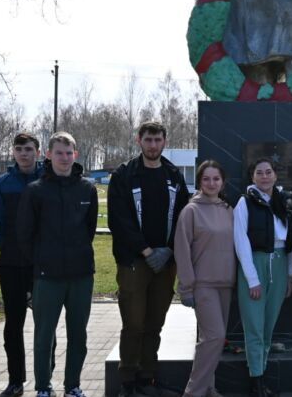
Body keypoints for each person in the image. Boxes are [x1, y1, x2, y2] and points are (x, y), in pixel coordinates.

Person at [108, 121, 191, 397]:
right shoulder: (124, 175)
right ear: (138, 140)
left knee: (155, 322)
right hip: (135, 261)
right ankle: (128, 380)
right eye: (148, 140)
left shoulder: (173, 175)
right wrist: (146, 251)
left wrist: (168, 250)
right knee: (134, 323)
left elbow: (182, 215)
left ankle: (148, 378)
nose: (153, 145)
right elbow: (119, 220)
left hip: (165, 263)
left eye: (157, 140)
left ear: (164, 141)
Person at [17, 132, 99, 397]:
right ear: (48, 155)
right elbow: (25, 235)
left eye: (69, 153)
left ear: (75, 155)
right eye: (59, 153)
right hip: (47, 276)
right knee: (44, 336)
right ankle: (43, 387)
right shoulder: (35, 191)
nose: (64, 158)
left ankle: (72, 385)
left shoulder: (87, 189)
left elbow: (89, 229)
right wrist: (41, 263)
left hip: (81, 275)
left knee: (79, 335)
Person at [234, 157, 292, 397]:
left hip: (279, 266)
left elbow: (290, 242)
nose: (264, 176)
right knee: (255, 328)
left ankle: (262, 376)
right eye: (259, 172)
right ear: (252, 177)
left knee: (268, 327)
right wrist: (252, 279)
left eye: (268, 172)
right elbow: (241, 242)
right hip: (255, 265)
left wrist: (289, 274)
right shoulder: (244, 203)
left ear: (275, 175)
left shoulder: (285, 202)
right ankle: (256, 384)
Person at [174, 160, 237, 397]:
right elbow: (182, 250)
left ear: (222, 181)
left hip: (226, 284)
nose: (211, 183)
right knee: (214, 336)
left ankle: (209, 387)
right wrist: (186, 288)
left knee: (211, 341)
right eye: (206, 179)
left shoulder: (228, 210)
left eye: (216, 179)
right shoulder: (191, 211)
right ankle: (194, 392)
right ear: (200, 182)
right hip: (202, 285)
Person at [0, 132, 43, 397]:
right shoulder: (3, 183)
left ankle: (44, 380)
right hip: (12, 264)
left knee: (45, 324)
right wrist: (10, 251)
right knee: (13, 325)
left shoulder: (47, 178)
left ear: (38, 151)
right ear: (13, 152)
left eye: (29, 149)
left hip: (42, 266)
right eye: (20, 149)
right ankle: (15, 380)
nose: (24, 153)